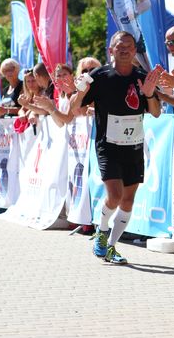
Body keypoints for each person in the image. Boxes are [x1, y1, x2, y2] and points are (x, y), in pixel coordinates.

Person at [69, 31, 162, 265]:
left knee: (128, 201)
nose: (125, 50)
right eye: (120, 46)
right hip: (108, 146)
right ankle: (101, 230)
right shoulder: (98, 76)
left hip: (134, 147)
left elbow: (156, 112)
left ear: (134, 51)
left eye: (129, 46)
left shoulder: (142, 77)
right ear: (111, 50)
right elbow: (74, 107)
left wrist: (150, 94)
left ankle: (111, 246)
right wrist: (79, 92)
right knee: (115, 195)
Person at [107, 0, 151, 70]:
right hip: (124, 40)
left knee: (147, 68)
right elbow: (115, 18)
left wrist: (135, 11)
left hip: (137, 34)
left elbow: (147, 2)